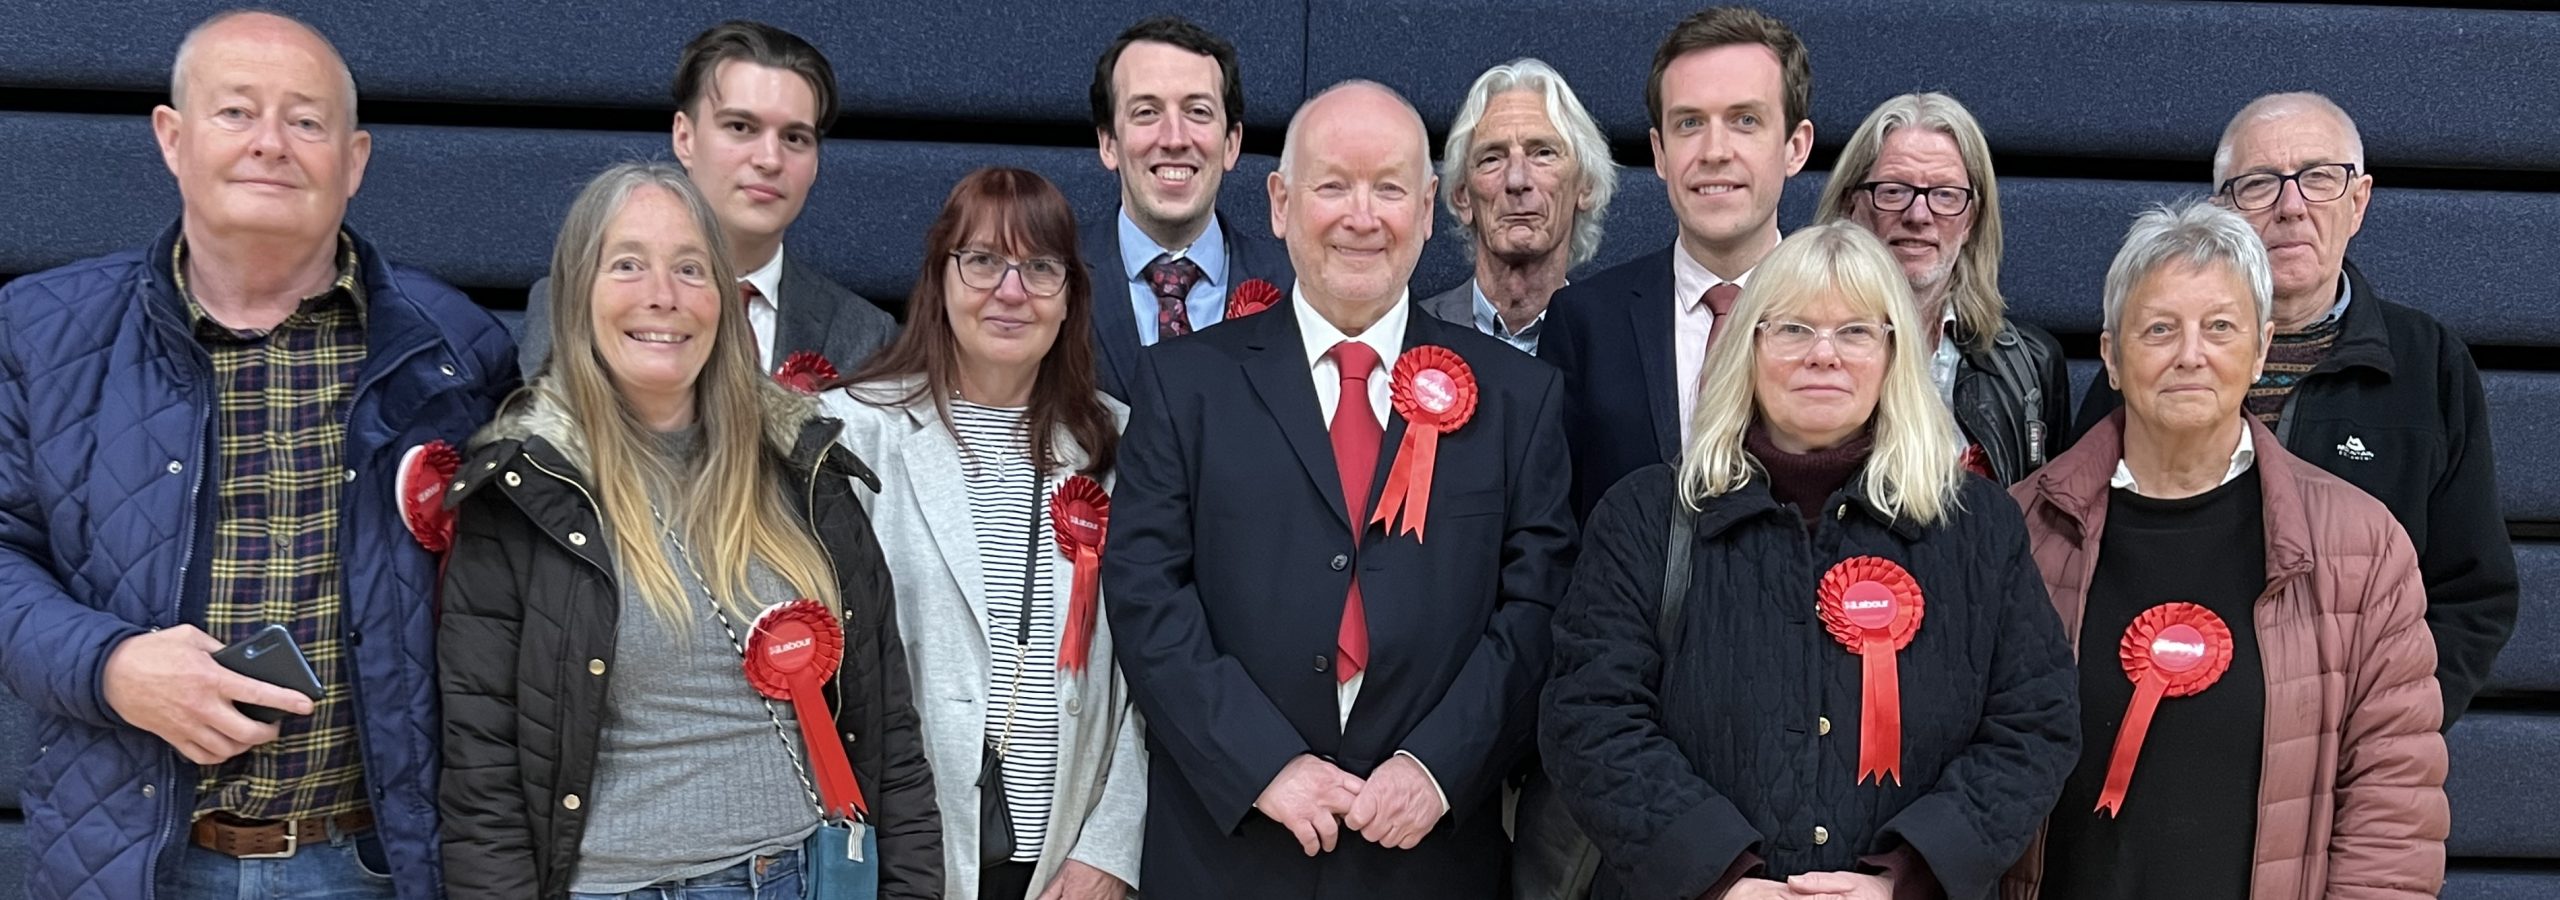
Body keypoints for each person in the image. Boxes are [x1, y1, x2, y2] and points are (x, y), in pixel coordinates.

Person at [0, 11, 517, 898]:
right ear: (172, 138)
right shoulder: (42, 333)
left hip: (371, 864)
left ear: (353, 160)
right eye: (236, 112)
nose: (271, 144)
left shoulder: (454, 350)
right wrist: (108, 665)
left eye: (307, 121)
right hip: (129, 862)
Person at [1102, 81, 1574, 899]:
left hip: (1431, 857)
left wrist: (1437, 768)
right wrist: (1264, 764)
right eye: (1332, 186)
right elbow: (1147, 596)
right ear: (1281, 203)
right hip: (1233, 849)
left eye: (1390, 188)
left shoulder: (1518, 400)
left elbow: (1536, 610)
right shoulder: (1183, 385)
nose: (1363, 216)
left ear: (1429, 210)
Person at [437, 163, 940, 899]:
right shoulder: (521, 495)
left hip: (807, 878)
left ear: (724, 299)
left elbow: (889, 729)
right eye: (628, 265)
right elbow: (483, 782)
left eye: (689, 268)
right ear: (578, 294)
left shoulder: (806, 470)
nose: (661, 296)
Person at [1542, 221, 2078, 900]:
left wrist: (1903, 877)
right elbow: (1590, 716)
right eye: (1793, 328)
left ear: (1893, 354)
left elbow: (2034, 724)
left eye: (1855, 331)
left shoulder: (1976, 527)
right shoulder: (1647, 517)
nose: (1823, 354)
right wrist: (1722, 878)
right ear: (1748, 346)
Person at [2013, 199, 2448, 899]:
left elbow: (2392, 811)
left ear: (2259, 350)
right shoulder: (2019, 531)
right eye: (2159, 329)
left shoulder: (2362, 550)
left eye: (2220, 327)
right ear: (2112, 357)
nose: (2191, 354)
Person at [2073, 93, 2513, 727]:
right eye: (2258, 185)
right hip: (2164, 735)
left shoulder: (2428, 363)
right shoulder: (2155, 363)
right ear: (2222, 209)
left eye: (2319, 178)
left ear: (2358, 201)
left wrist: (2386, 732)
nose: (2290, 207)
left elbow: (2473, 595)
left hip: (2356, 751)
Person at [821, 167, 1146, 900]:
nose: (1010, 290)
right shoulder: (855, 435)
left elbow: (1150, 680)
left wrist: (1113, 848)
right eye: (982, 260)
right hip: (903, 862)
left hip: (1067, 866)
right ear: (939, 279)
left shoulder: (1120, 446)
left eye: (1039, 267)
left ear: (1070, 298)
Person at [1540, 5, 1816, 520]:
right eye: (1689, 123)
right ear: (1660, 153)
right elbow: (1555, 534)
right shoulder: (1584, 323)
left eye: (1745, 121)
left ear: (1795, 147)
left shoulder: (1848, 322)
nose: (1714, 151)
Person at [519, 20, 897, 379]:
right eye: (740, 127)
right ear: (685, 138)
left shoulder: (864, 334)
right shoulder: (573, 300)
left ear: (815, 162)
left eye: (795, 138)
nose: (769, 159)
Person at [1814, 92, 2070, 484]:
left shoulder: (2029, 367)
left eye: (1946, 195)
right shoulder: (1800, 351)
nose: (1919, 215)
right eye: (1894, 190)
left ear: (1971, 220)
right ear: (1853, 205)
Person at [1081, 14, 1296, 401]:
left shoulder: (1295, 289)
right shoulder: (1050, 282)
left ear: (1231, 143)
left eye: (1198, 111)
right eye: (1146, 112)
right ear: (1109, 143)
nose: (1175, 138)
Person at [1419, 57, 1617, 355]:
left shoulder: (1620, 343)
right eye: (1491, 158)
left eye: (1543, 153)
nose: (1516, 180)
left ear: (1585, 186)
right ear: (1462, 197)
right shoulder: (1411, 337)